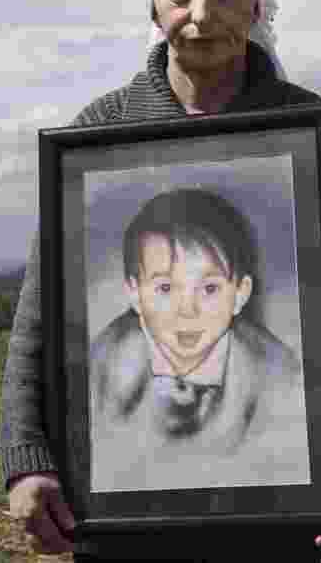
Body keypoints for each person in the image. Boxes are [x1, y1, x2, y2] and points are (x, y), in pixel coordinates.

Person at [0, 0, 321, 561]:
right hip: (120, 523)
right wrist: (26, 458)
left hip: (276, 521)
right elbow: (41, 310)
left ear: (258, 4)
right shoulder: (100, 128)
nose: (201, 11)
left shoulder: (307, 128)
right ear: (154, 8)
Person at [90, 188, 303, 470]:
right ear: (134, 294)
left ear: (240, 293)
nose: (187, 311)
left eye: (209, 288)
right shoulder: (99, 367)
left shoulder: (281, 377)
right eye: (165, 288)